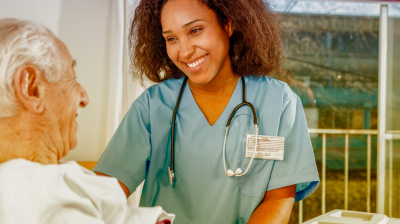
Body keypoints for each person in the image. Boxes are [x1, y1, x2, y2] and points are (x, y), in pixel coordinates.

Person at [94, 0, 320, 223]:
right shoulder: (153, 105)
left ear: (228, 25)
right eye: (171, 38)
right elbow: (106, 190)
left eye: (195, 30)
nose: (185, 51)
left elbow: (279, 197)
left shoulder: (279, 101)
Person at [0, 18, 174, 224]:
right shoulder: (36, 188)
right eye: (71, 77)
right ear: (32, 89)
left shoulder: (30, 183)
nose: (84, 98)